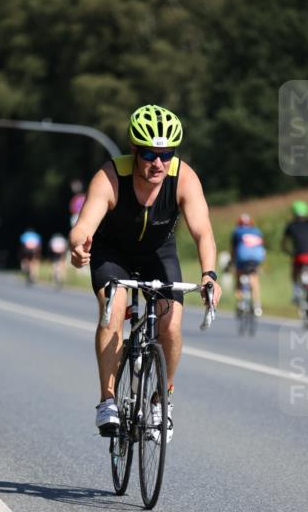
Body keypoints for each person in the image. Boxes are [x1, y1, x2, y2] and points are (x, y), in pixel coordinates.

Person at [69, 103, 221, 441]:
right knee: (113, 313)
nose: (158, 163)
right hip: (113, 253)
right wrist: (79, 246)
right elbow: (84, 226)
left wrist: (210, 274)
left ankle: (160, 401)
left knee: (171, 324)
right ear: (135, 150)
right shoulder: (111, 176)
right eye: (150, 154)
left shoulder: (183, 177)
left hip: (158, 253)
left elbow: (203, 231)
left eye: (166, 154)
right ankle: (107, 400)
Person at [230, 213, 265, 317]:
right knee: (254, 279)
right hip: (256, 259)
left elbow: (233, 249)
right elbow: (261, 248)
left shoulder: (237, 231)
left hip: (242, 259)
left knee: (238, 277)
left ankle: (240, 302)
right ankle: (257, 305)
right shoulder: (257, 231)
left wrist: (232, 262)